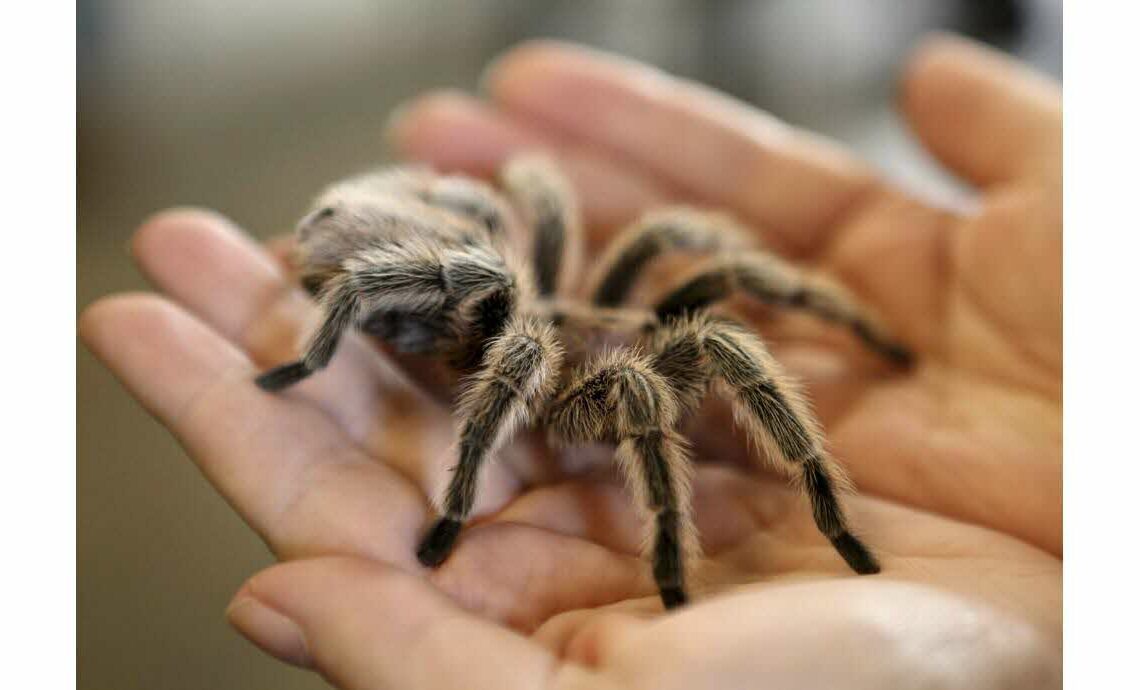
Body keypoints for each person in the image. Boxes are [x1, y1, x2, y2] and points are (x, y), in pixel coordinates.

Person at [80, 33, 1061, 689]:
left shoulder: (616, 306)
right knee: (567, 317)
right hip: (415, 279)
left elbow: (578, 221)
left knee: (690, 288)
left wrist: (870, 339)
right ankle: (507, 496)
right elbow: (524, 245)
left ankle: (828, 491)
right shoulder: (543, 326)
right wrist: (456, 496)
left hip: (463, 280)